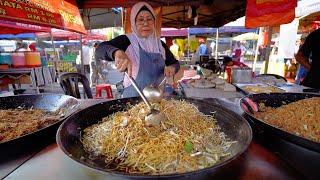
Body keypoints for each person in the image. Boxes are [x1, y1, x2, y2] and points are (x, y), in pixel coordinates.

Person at [95, 2, 180, 97]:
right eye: (140, 19)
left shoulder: (160, 45)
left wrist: (173, 68)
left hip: (158, 99)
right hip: (131, 100)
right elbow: (99, 49)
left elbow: (175, 63)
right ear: (134, 22)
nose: (145, 23)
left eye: (149, 19)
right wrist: (116, 52)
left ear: (154, 22)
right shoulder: (126, 40)